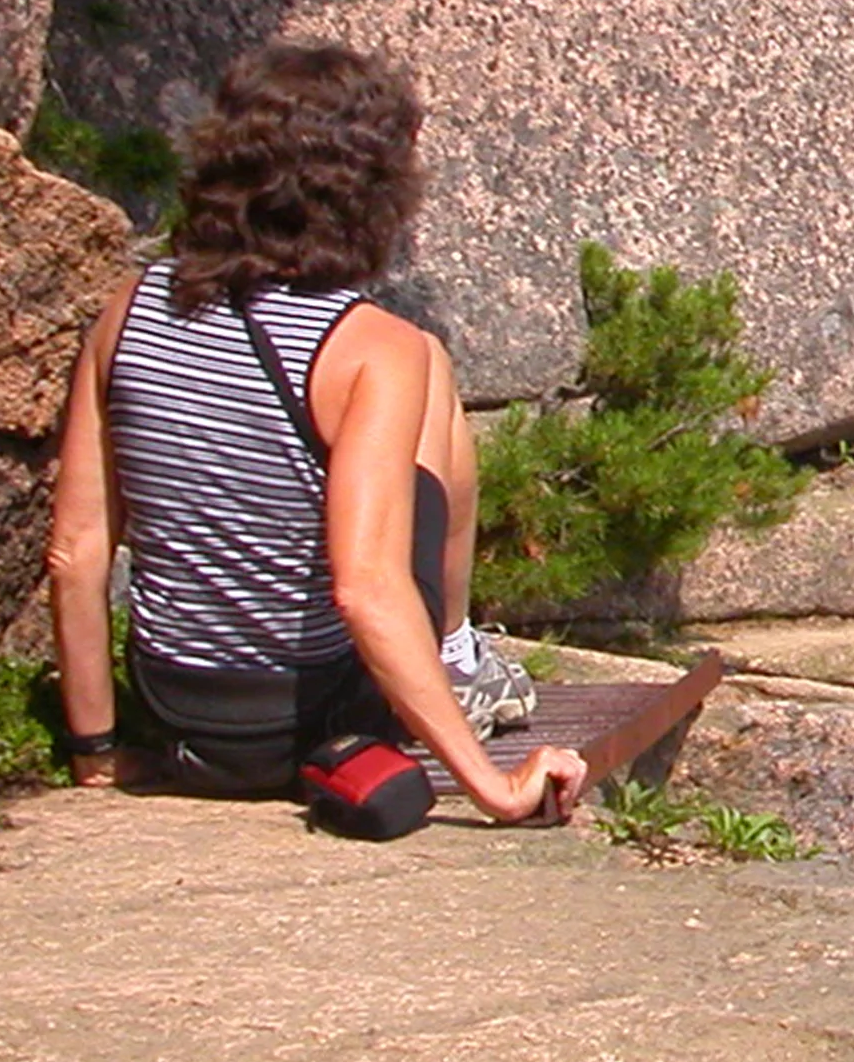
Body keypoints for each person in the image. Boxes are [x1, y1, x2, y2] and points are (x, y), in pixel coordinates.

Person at [45, 42, 586, 825]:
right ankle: (458, 658)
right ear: (374, 190)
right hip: (320, 724)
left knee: (403, 377)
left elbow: (75, 552)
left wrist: (95, 749)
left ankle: (455, 653)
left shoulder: (127, 311)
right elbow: (364, 586)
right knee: (425, 369)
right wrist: (496, 789)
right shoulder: (372, 347)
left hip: (178, 723)